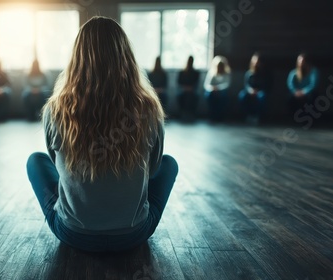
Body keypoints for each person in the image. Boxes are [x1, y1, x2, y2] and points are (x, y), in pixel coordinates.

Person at [26, 16, 178, 253]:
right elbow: (155, 167)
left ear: (77, 58)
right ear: (126, 57)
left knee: (35, 161)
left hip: (74, 234)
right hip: (132, 235)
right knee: (170, 164)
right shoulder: (148, 107)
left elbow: (58, 166)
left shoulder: (56, 109)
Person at [238, 52, 272, 124]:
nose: (256, 63)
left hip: (260, 92)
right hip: (250, 91)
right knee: (242, 95)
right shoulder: (249, 73)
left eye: (258, 61)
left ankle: (258, 116)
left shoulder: (266, 73)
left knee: (262, 96)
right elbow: (246, 85)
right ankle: (248, 115)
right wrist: (251, 91)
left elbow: (267, 85)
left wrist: (258, 91)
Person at [204, 56, 231, 121]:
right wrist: (212, 88)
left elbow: (227, 84)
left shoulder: (226, 74)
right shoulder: (211, 73)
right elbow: (206, 85)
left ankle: (220, 115)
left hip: (222, 91)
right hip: (212, 91)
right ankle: (212, 115)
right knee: (209, 95)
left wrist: (218, 88)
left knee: (223, 96)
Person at [177, 56, 200, 120]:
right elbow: (179, 82)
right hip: (183, 90)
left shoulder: (195, 73)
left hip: (192, 91)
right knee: (182, 97)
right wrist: (185, 88)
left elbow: (196, 83)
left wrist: (190, 88)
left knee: (191, 97)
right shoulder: (182, 72)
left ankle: (189, 114)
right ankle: (184, 114)